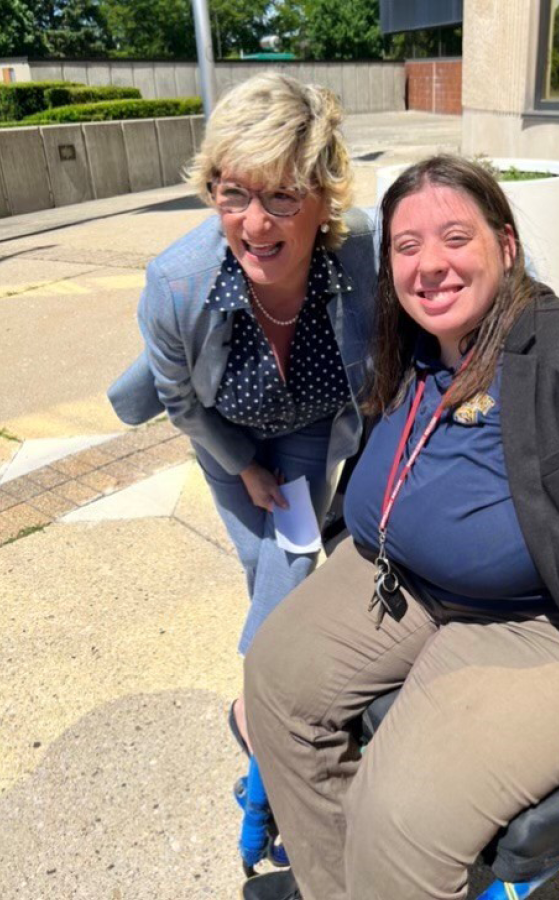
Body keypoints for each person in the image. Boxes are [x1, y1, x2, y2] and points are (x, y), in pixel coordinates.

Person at [242, 155, 559, 900]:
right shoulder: (414, 348)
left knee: (402, 815)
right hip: (405, 582)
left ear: (508, 247)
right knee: (274, 681)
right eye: (406, 246)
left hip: (556, 624)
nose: (429, 265)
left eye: (455, 237)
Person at [108, 72, 376, 748]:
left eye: (283, 196)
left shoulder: (366, 254)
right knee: (264, 563)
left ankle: (255, 707)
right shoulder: (176, 282)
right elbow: (180, 399)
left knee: (288, 557)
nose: (254, 224)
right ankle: (274, 687)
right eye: (233, 194)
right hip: (222, 429)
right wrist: (241, 465)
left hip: (311, 427)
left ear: (324, 198)